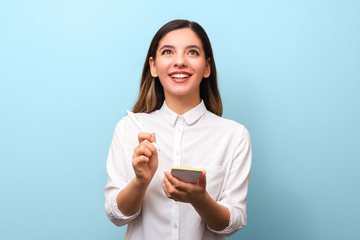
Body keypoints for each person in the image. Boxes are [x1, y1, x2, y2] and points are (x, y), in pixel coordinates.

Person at [104, 19, 252, 240]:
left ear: (207, 67)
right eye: (168, 52)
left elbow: (233, 222)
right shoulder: (128, 129)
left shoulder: (235, 135)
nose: (180, 61)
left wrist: (201, 200)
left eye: (192, 52)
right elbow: (117, 215)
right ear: (153, 66)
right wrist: (140, 180)